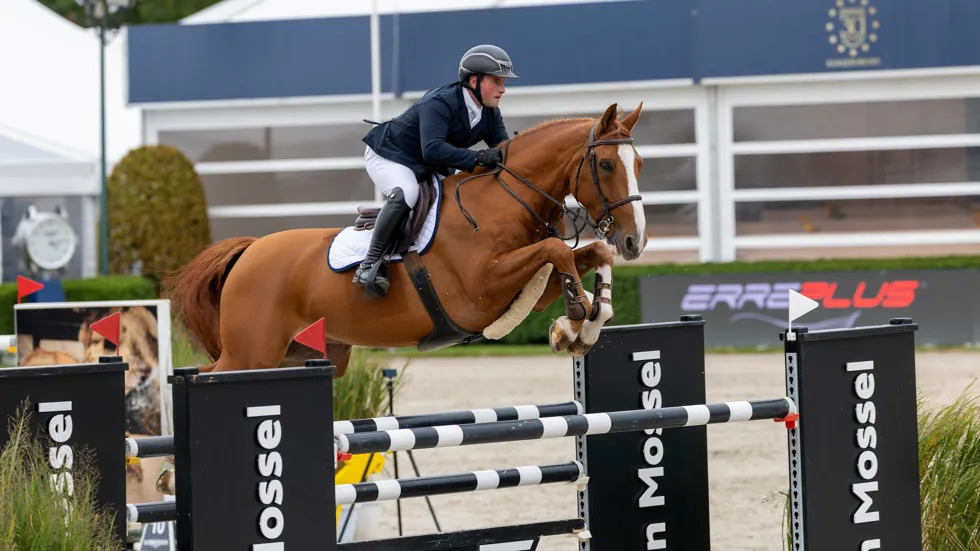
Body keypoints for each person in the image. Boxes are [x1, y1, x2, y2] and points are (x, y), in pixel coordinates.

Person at [354, 44, 519, 297]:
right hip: (391, 155)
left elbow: (502, 150)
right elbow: (432, 149)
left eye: (503, 82)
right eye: (496, 81)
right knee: (407, 192)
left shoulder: (489, 112)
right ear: (474, 80)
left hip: (430, 163)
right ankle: (370, 264)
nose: (503, 89)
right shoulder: (439, 102)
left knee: (461, 198)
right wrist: (478, 157)